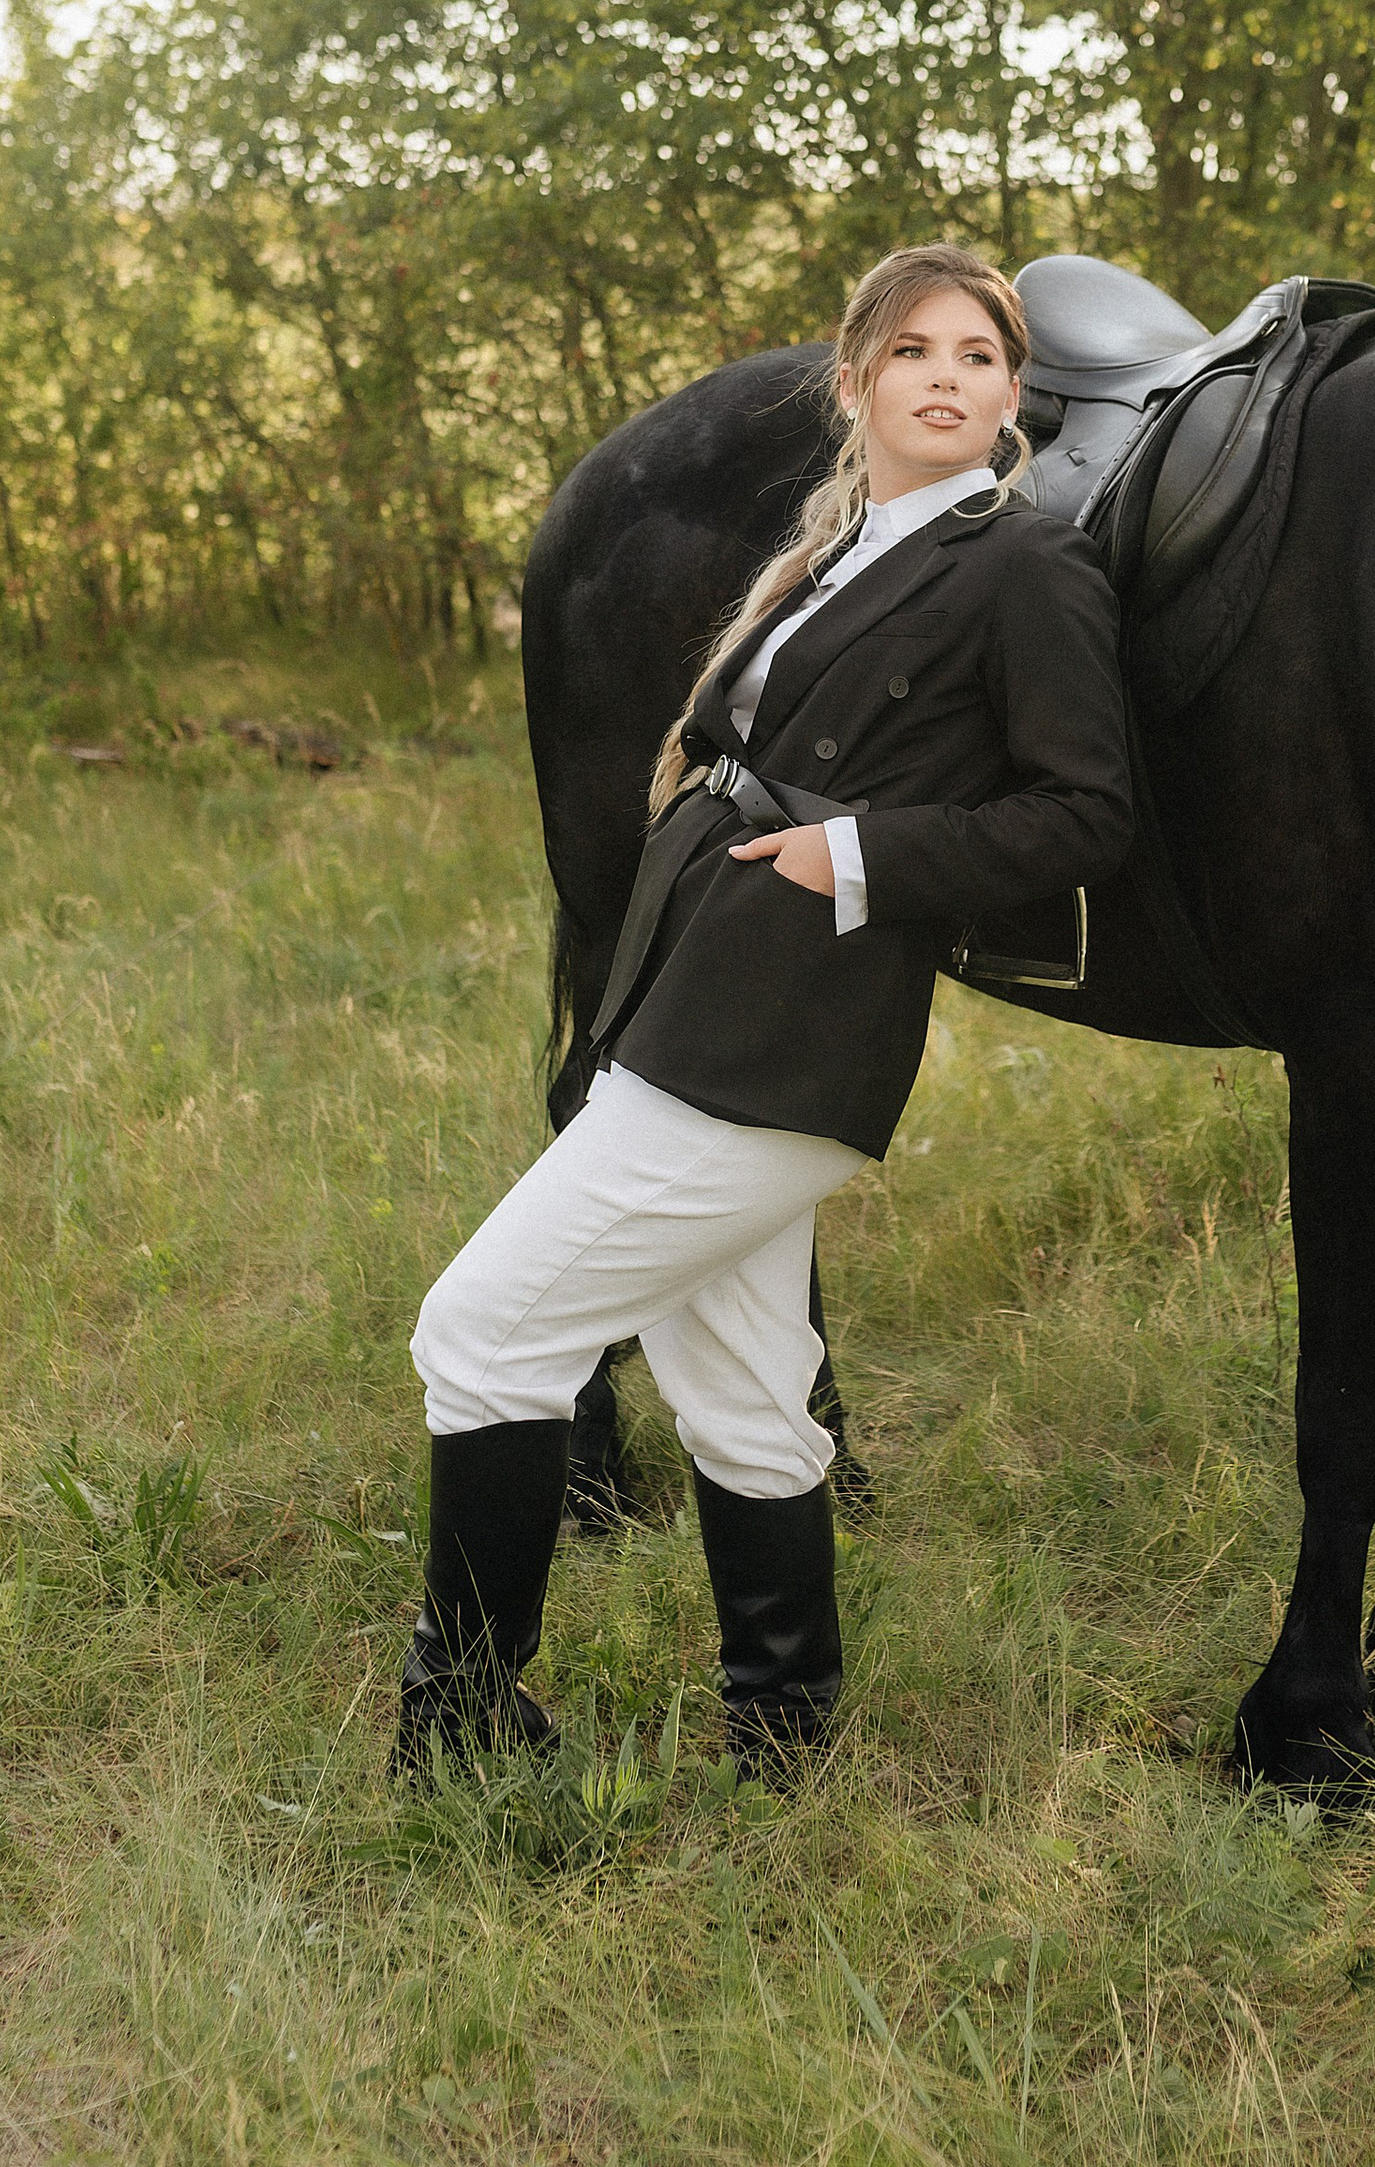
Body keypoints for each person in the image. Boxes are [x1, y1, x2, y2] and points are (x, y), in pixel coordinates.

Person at [396, 245, 1135, 1777]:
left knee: (479, 1335)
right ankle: (786, 1737)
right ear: (856, 380)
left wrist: (858, 849)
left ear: (1013, 396)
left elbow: (1087, 814)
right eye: (918, 348)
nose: (951, 374)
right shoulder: (842, 547)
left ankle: (462, 1731)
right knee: (746, 1396)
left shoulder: (1023, 562)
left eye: (983, 356)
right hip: (687, 998)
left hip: (785, 1034)